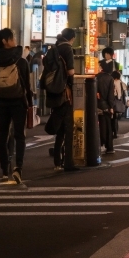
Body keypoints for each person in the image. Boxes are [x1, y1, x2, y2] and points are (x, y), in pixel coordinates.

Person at [0, 29, 33, 183]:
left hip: (1, 102)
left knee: (2, 135)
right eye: (12, 38)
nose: (14, 40)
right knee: (19, 135)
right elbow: (27, 85)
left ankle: (4, 169)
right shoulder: (21, 61)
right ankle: (18, 168)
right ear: (5, 41)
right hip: (18, 102)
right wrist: (30, 103)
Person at [47, 29, 77, 172]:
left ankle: (57, 162)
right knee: (67, 127)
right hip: (65, 92)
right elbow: (70, 71)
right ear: (71, 38)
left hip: (54, 92)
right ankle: (68, 162)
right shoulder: (68, 49)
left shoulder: (55, 47)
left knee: (60, 129)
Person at [96, 67, 116, 155]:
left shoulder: (96, 77)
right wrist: (111, 106)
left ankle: (99, 144)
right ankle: (109, 147)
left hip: (96, 105)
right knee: (108, 126)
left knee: (98, 126)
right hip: (106, 106)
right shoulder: (110, 79)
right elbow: (110, 95)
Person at [111, 71, 126, 138]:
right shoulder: (122, 83)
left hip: (113, 102)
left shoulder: (113, 82)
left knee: (112, 118)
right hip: (120, 102)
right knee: (115, 118)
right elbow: (125, 93)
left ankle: (113, 132)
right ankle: (115, 132)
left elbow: (113, 93)